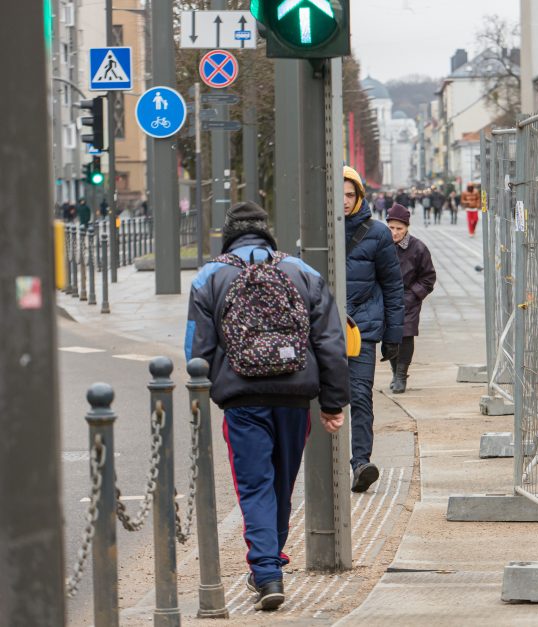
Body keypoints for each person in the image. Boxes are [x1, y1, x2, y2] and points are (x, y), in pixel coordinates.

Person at [185, 201, 349, 612]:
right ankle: (270, 562)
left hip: (242, 399)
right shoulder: (303, 272)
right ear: (266, 231)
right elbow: (331, 342)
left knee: (254, 485)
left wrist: (198, 397)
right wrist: (332, 403)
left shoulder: (209, 276)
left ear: (228, 233)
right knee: (281, 483)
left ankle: (265, 571)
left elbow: (196, 349)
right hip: (295, 397)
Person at [343, 166, 405, 493]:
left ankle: (360, 464)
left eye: (349, 194)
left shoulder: (377, 233)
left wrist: (393, 336)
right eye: (337, 193)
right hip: (324, 329)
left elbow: (393, 287)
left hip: (361, 329)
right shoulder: (312, 229)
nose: (343, 200)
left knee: (360, 396)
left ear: (359, 197)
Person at [384, 203, 436, 393]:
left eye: (399, 228)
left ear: (406, 228)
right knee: (389, 336)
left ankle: (401, 375)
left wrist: (413, 295)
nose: (395, 232)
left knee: (405, 335)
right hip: (386, 299)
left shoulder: (418, 248)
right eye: (391, 228)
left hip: (409, 300)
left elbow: (428, 277)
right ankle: (393, 370)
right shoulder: (381, 244)